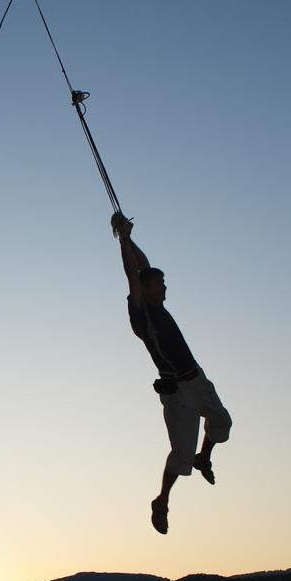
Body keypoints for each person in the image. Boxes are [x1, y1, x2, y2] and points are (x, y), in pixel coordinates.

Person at [113, 211, 232, 535]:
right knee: (180, 455)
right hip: (177, 392)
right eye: (159, 283)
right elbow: (131, 273)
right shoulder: (141, 314)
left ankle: (203, 458)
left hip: (196, 379)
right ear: (146, 288)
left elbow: (143, 263)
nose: (165, 286)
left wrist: (130, 238)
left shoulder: (158, 306)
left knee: (222, 422)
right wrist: (122, 239)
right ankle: (161, 502)